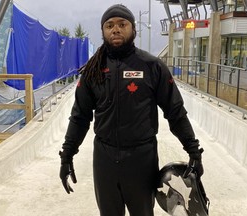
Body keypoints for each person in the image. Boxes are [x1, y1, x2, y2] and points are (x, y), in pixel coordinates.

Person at [59, 4, 204, 216]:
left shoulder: (152, 66)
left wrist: (194, 151)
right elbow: (79, 117)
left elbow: (175, 112)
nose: (115, 29)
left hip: (141, 159)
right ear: (103, 31)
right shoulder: (93, 70)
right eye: (109, 25)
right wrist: (67, 156)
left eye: (122, 24)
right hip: (105, 158)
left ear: (133, 29)